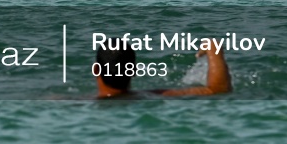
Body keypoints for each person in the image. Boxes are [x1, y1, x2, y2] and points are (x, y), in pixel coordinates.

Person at [94, 44, 232, 98]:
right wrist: (213, 48)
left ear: (96, 69)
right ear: (134, 71)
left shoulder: (83, 102)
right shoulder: (154, 96)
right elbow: (218, 89)